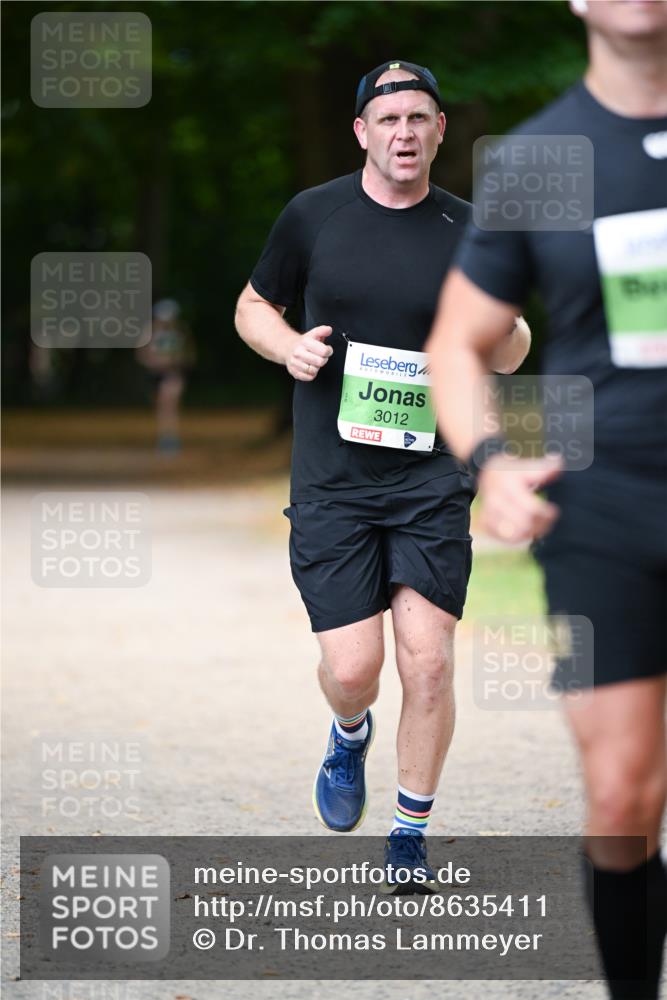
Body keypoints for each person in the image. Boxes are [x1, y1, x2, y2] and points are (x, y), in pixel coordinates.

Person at [235, 60, 530, 890]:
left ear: (440, 131)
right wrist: (286, 346)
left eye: (420, 118)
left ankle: (408, 830)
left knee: (428, 661)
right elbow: (252, 306)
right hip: (332, 479)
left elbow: (510, 347)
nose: (404, 132)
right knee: (356, 667)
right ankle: (349, 730)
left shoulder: (471, 229)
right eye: (388, 118)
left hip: (431, 477)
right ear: (362, 132)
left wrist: (498, 330)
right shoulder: (313, 216)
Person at [427, 0, 667, 993]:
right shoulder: (539, 160)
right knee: (619, 798)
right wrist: (489, 460)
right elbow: (456, 342)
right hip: (603, 502)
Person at [136, 298, 196, 454]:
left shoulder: (180, 331)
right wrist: (155, 363)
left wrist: (176, 362)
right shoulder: (150, 332)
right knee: (162, 408)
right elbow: (142, 354)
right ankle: (164, 436)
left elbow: (190, 353)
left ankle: (170, 439)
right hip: (155, 375)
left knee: (169, 405)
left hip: (172, 374)